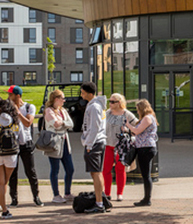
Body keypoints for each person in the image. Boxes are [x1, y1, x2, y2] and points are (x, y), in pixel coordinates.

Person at [6, 85, 44, 207]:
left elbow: (28, 123)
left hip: (26, 143)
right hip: (12, 143)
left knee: (30, 171)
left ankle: (36, 196)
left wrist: (17, 113)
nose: (8, 97)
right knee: (13, 172)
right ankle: (14, 199)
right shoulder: (7, 108)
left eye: (10, 95)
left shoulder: (29, 107)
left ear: (18, 96)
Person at [103, 93, 138, 201]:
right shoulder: (107, 113)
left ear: (119, 103)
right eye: (110, 101)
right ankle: (107, 193)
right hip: (108, 144)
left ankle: (119, 193)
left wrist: (129, 129)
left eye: (113, 101)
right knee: (106, 169)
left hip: (121, 146)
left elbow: (137, 126)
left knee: (120, 169)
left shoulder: (126, 114)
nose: (110, 103)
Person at [80, 81, 108, 213]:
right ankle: (100, 200)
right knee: (96, 172)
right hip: (97, 141)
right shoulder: (95, 105)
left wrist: (89, 144)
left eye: (83, 92)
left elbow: (94, 127)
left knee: (96, 173)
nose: (81, 95)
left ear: (90, 94)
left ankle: (99, 203)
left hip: (95, 143)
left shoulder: (94, 107)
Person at [124, 99, 158, 207]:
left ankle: (147, 199)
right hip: (144, 147)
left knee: (146, 175)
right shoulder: (148, 118)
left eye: (138, 109)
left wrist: (128, 125)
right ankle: (146, 198)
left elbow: (137, 131)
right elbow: (139, 132)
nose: (137, 111)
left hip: (146, 148)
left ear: (142, 108)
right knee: (145, 174)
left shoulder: (147, 118)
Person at [43, 89, 75, 203]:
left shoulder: (63, 111)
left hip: (65, 142)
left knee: (70, 169)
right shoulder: (49, 111)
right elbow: (55, 125)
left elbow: (71, 124)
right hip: (54, 142)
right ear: (56, 99)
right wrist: (63, 123)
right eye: (62, 98)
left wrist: (62, 123)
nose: (64, 100)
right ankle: (56, 195)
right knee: (55, 169)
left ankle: (67, 193)